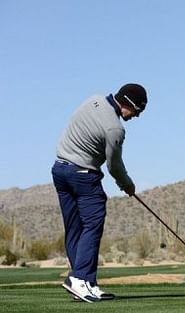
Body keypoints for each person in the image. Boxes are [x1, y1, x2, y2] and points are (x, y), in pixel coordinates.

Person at [51, 83, 148, 303]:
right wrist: (128, 185)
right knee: (92, 226)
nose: (136, 117)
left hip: (59, 170)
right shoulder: (115, 129)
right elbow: (114, 166)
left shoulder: (93, 100)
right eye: (137, 111)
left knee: (74, 229)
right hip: (83, 176)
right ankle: (78, 279)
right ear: (129, 104)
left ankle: (86, 284)